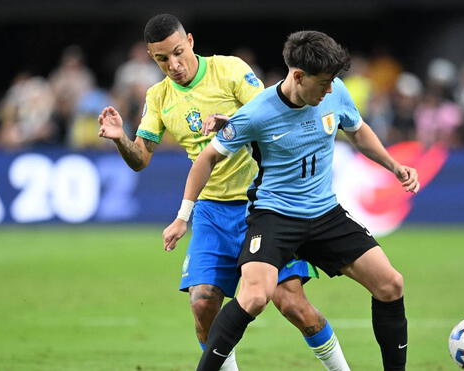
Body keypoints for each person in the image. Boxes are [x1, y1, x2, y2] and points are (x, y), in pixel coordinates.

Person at [98, 15, 350, 371]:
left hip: (264, 205)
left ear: (190, 40)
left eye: (178, 53)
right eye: (162, 59)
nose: (174, 65)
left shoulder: (230, 71)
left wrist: (231, 125)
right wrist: (121, 138)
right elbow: (140, 159)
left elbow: (275, 116)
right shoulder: (158, 97)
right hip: (212, 211)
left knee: (293, 305)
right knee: (202, 303)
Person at [163, 30, 420, 371]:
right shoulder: (257, 113)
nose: (330, 90)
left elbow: (356, 130)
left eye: (332, 82)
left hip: (325, 214)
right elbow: (207, 158)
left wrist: (393, 165)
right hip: (275, 217)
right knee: (255, 296)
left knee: (391, 284)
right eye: (324, 83)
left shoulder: (335, 92)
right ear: (298, 76)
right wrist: (184, 215)